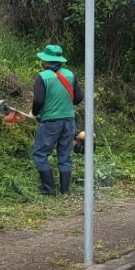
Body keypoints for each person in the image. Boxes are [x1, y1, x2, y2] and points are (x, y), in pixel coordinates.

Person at [31, 44, 83, 196]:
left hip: (51, 122)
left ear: (45, 62)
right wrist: (66, 106)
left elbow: (39, 100)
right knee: (64, 155)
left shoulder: (43, 77)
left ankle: (49, 190)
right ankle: (65, 191)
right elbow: (79, 97)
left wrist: (34, 113)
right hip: (69, 120)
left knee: (40, 154)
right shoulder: (70, 75)